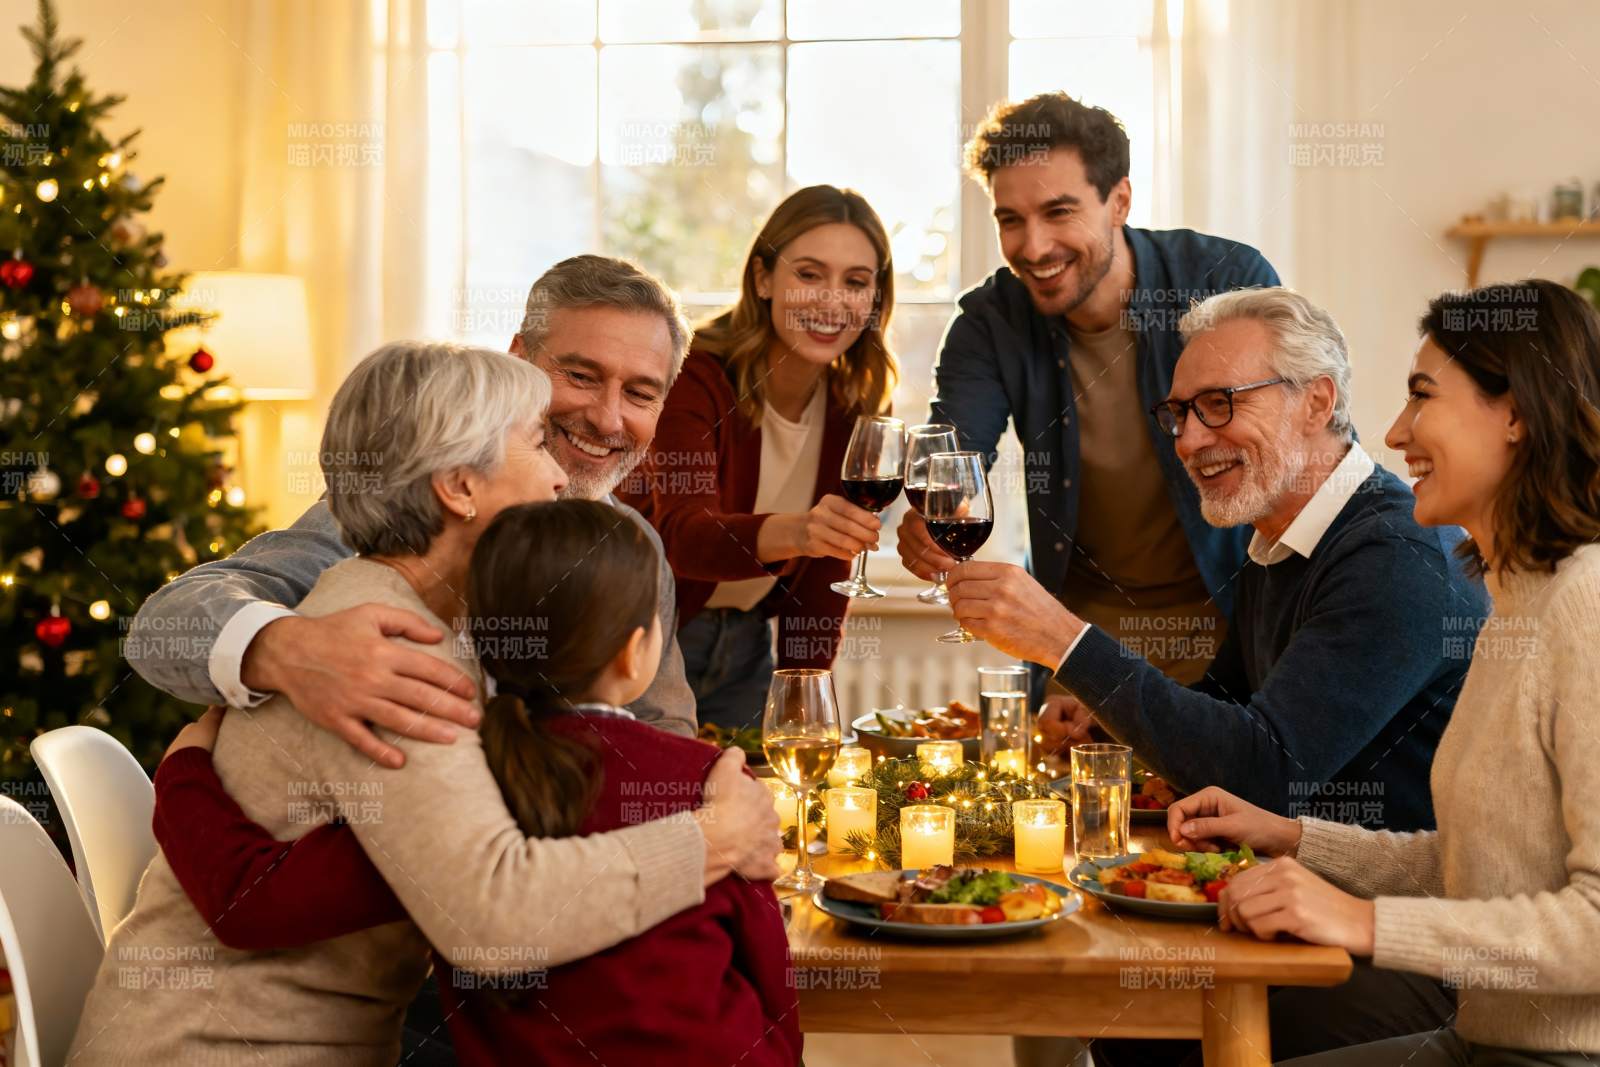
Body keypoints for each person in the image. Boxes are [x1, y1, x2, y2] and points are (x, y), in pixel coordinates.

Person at [67, 342, 781, 1065]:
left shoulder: (414, 617)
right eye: (538, 442)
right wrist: (712, 838)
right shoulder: (391, 656)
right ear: (459, 487)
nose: (563, 475)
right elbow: (498, 920)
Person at [946, 287, 1486, 1064]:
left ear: (1316, 402)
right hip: (1307, 893)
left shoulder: (1391, 557)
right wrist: (1107, 722)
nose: (1192, 438)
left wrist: (1067, 641)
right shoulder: (1279, 538)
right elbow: (1227, 708)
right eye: (1179, 413)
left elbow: (1259, 770)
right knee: (1104, 971)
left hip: (1417, 941)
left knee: (1136, 993)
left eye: (1220, 405)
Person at [151, 500, 802, 1066]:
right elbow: (771, 972)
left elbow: (254, 896)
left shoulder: (456, 784)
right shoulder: (710, 781)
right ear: (637, 651)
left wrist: (183, 766)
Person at [1167, 279, 1600, 1067]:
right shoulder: (1520, 602)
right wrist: (1295, 838)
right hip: (1484, 1033)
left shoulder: (1585, 607)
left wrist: (1363, 922)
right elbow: (1472, 864)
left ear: (1517, 413)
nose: (1396, 432)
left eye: (1422, 396)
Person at [123, 254, 701, 763]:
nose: (606, 417)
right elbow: (163, 626)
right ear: (520, 359)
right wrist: (286, 648)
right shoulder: (416, 513)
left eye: (640, 394)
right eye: (579, 375)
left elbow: (664, 727)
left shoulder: (631, 543)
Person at [897, 91, 1282, 715]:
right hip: (1079, 639)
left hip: (1233, 626)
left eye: (1058, 212)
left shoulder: (1223, 282)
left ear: (1119, 201)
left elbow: (1287, 452)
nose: (1033, 245)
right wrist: (933, 517)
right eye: (1010, 220)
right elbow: (952, 453)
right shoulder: (989, 322)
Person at [619, 185, 898, 728]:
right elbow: (685, 537)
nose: (831, 301)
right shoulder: (695, 374)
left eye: (856, 282)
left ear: (873, 301)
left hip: (745, 644)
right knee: (659, 808)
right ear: (764, 279)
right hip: (648, 635)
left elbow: (823, 580)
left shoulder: (851, 406)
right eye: (809, 275)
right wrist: (804, 531)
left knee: (764, 802)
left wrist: (807, 703)